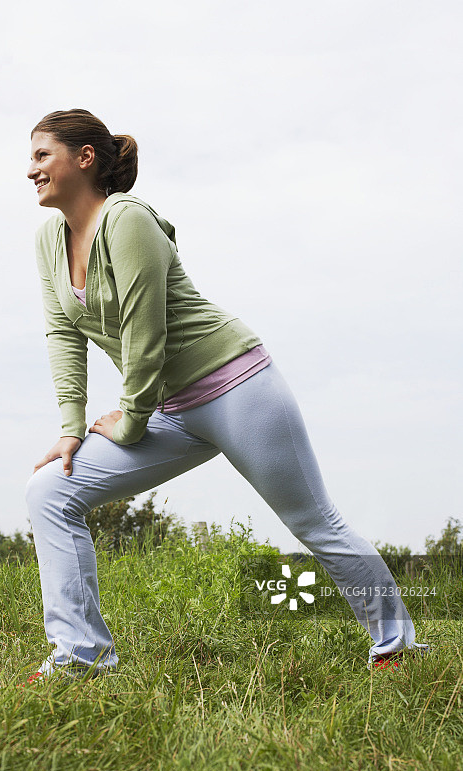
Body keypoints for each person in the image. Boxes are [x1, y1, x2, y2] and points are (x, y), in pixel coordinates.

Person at [23, 108, 427, 685]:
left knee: (314, 523)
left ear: (84, 158)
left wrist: (132, 420)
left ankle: (396, 644)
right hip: (167, 410)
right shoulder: (48, 240)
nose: (30, 171)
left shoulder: (127, 220)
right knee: (49, 490)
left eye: (42, 156)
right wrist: (72, 425)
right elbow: (62, 333)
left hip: (235, 386)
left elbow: (146, 333)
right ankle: (80, 655)